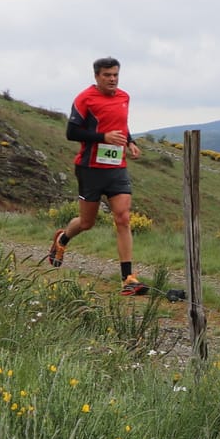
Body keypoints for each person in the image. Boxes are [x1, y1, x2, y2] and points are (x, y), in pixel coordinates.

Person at [47, 57, 148, 296]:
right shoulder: (85, 99)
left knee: (123, 218)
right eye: (107, 75)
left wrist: (130, 142)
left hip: (116, 168)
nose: (112, 79)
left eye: (115, 75)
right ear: (96, 76)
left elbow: (121, 125)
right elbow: (72, 132)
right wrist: (104, 138)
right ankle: (62, 238)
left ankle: (128, 278)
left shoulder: (124, 97)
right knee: (86, 223)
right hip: (89, 169)